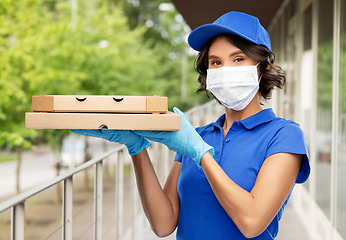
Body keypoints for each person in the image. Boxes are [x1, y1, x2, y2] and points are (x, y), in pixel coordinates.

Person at [72, 11, 310, 240]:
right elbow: (163, 223)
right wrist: (137, 148)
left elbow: (252, 222)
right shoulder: (198, 135)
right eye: (215, 62)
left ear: (261, 66)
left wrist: (201, 154)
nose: (225, 70)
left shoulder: (284, 135)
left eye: (238, 59)